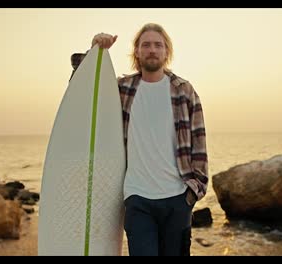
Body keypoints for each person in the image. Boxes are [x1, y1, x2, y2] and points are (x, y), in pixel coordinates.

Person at [70, 23, 208, 256]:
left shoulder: (184, 90)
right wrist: (94, 50)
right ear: (137, 51)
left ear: (167, 52)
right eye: (146, 45)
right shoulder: (122, 89)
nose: (152, 50)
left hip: (177, 197)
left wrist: (195, 191)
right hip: (137, 198)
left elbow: (199, 142)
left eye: (158, 45)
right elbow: (83, 91)